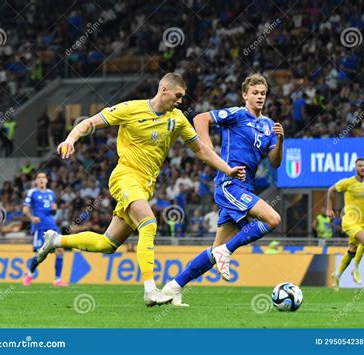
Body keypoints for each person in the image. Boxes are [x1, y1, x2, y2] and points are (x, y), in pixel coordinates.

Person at [35, 73, 245, 307]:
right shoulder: (131, 109)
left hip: (145, 186)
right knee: (149, 223)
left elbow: (201, 150)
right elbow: (90, 122)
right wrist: (70, 139)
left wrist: (228, 169)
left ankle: (56, 241)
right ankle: (150, 290)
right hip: (125, 176)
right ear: (163, 90)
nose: (180, 102)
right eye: (177, 96)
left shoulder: (177, 119)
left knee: (108, 243)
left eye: (182, 98)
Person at [162, 74, 284, 306]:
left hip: (246, 186)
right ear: (245, 95)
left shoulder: (269, 125)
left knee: (214, 250)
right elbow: (200, 119)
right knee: (273, 219)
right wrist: (208, 149)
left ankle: (173, 287)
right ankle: (226, 251)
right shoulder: (237, 115)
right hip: (230, 184)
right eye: (255, 93)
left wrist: (280, 141)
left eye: (263, 93)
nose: (260, 97)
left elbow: (275, 162)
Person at [326, 158, 364, 290]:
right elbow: (331, 190)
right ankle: (356, 269)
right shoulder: (347, 182)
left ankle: (337, 274)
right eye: (360, 166)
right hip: (349, 220)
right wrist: (329, 209)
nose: (362, 168)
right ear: (355, 167)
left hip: (362, 223)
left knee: (352, 250)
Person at [22, 172, 67, 287]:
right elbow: (25, 209)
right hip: (40, 226)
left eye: (43, 177)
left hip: (52, 226)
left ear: (47, 180)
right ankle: (30, 274)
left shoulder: (51, 193)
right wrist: (32, 218)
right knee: (41, 254)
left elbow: (53, 211)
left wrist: (55, 209)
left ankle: (57, 279)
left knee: (60, 250)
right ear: (36, 181)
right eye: (39, 177)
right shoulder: (32, 192)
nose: (41, 179)